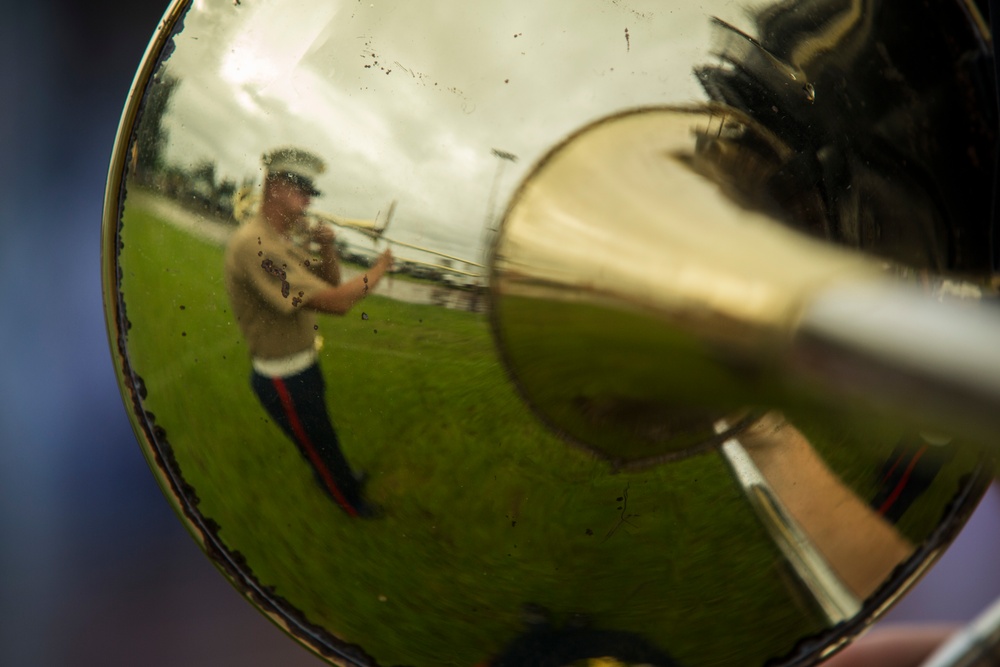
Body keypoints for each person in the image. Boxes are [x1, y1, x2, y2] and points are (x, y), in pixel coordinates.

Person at [224, 147, 392, 518]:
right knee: (319, 443)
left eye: (310, 191)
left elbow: (327, 280)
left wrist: (329, 247)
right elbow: (336, 302)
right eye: (299, 187)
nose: (308, 199)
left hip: (302, 364)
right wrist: (380, 269)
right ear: (273, 186)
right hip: (282, 375)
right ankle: (348, 500)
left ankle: (336, 476)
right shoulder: (257, 244)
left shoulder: (285, 238)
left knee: (321, 438)